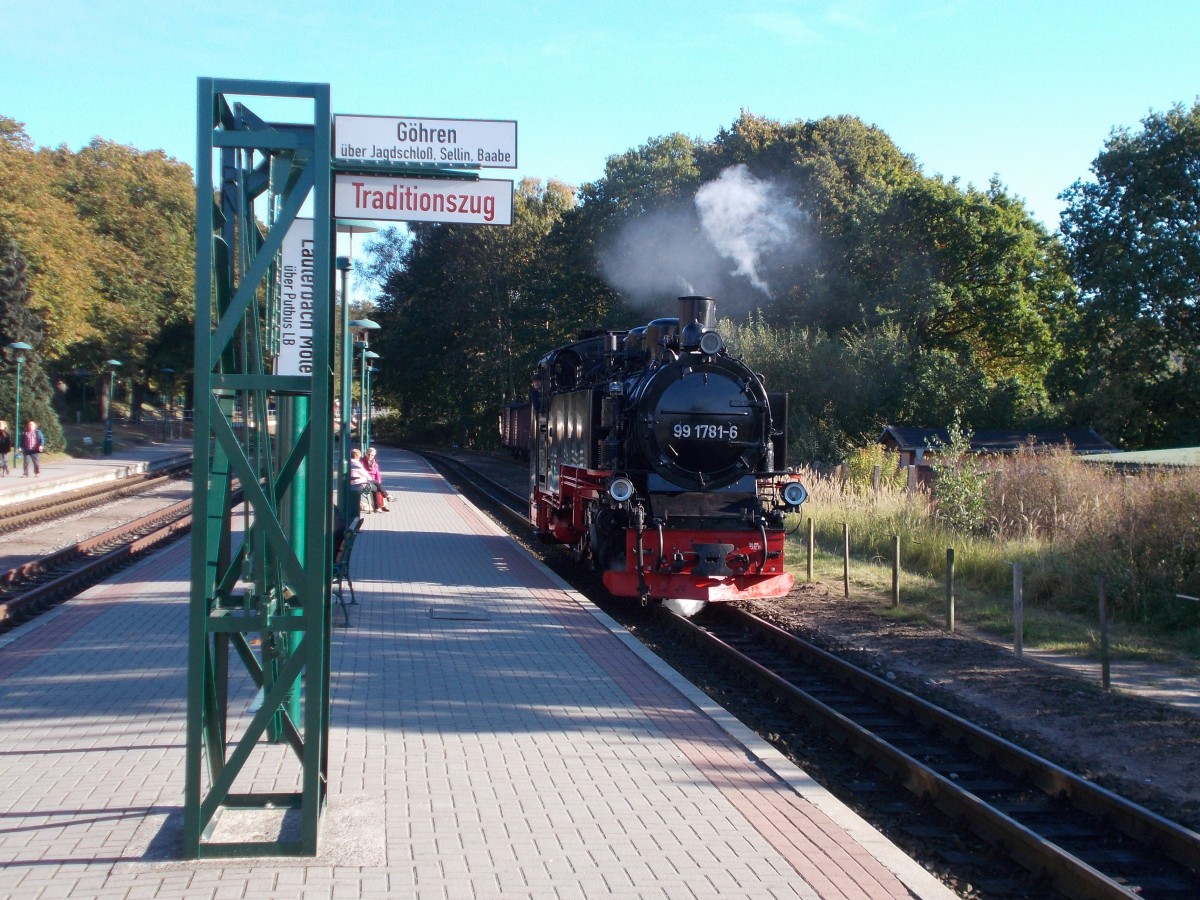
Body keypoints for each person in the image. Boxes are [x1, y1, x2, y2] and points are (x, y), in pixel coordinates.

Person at [348, 448, 378, 514]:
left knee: (376, 483)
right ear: (358, 456)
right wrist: (369, 478)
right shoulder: (356, 464)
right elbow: (364, 473)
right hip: (358, 484)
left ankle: (385, 497)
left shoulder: (348, 462)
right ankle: (377, 507)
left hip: (352, 483)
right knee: (375, 487)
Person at [363, 447, 391, 512]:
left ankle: (382, 506)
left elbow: (377, 473)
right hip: (366, 480)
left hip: (374, 481)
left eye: (372, 455)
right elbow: (363, 472)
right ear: (366, 454)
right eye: (368, 454)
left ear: (374, 456)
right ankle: (381, 505)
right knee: (378, 488)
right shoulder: (362, 462)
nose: (370, 456)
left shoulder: (374, 462)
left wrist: (378, 481)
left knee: (379, 487)